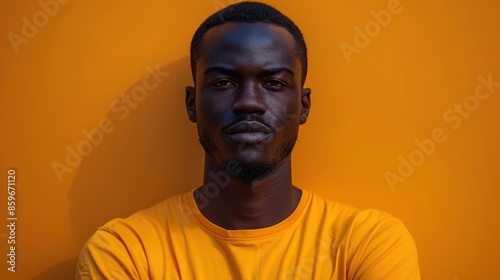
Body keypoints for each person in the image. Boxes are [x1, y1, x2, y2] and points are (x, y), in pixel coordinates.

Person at [76, 2, 421, 279]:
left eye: (273, 83)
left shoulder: (366, 243)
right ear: (191, 104)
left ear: (302, 106)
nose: (249, 102)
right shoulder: (126, 251)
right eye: (223, 83)